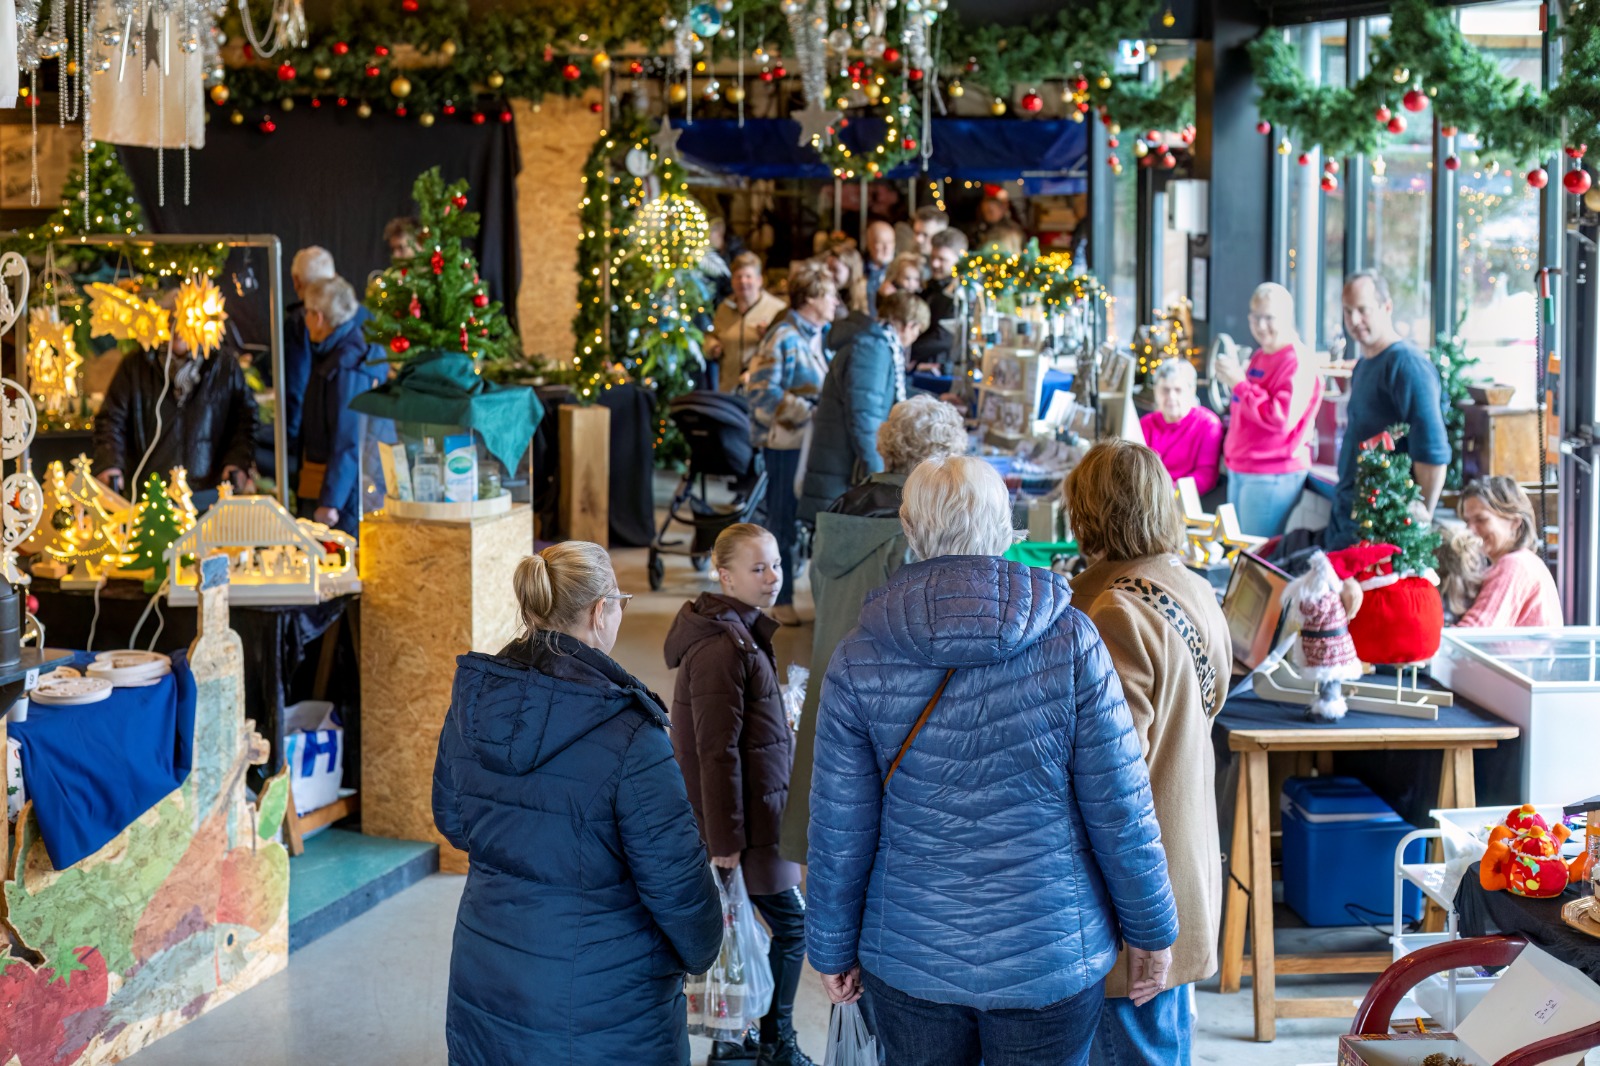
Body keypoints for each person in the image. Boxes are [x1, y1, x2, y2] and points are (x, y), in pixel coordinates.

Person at [806, 455, 1179, 1066]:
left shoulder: (858, 656)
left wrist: (831, 945)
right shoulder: (1072, 639)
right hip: (1051, 951)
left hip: (910, 952)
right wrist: (1152, 932)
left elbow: (839, 826)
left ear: (908, 526)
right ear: (1005, 527)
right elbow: (1121, 806)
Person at [432, 543, 723, 1066]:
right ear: (599, 611)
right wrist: (703, 949)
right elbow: (680, 888)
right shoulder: (632, 735)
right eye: (621, 602)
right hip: (607, 1002)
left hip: (487, 974)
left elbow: (454, 820)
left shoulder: (473, 703)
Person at [1065, 441, 1230, 1065]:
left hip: (1134, 885)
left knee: (1132, 1046)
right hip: (1182, 861)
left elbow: (1113, 775)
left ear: (1090, 514)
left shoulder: (1114, 610)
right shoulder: (1192, 588)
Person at [779, 394, 968, 866]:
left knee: (834, 846)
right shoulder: (915, 525)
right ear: (941, 455)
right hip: (890, 703)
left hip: (833, 684)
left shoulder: (843, 508)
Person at [664, 524, 813, 1066]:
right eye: (758, 568)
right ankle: (776, 1043)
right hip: (744, 828)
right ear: (723, 574)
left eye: (776, 564)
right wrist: (724, 843)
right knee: (793, 927)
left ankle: (742, 1039)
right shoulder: (723, 648)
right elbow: (714, 752)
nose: (773, 577)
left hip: (760, 815)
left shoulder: (743, 632)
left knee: (763, 929)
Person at [741, 261, 838, 626]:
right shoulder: (783, 336)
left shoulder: (820, 337)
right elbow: (761, 392)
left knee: (797, 519)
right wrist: (805, 410)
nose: (835, 302)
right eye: (830, 295)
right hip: (785, 442)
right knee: (781, 518)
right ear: (811, 298)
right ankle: (778, 599)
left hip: (811, 443)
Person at [94, 289, 259, 496]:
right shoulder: (135, 366)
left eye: (186, 320)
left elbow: (245, 419)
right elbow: (111, 420)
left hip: (208, 491)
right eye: (171, 319)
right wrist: (110, 463)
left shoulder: (224, 366)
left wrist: (237, 461)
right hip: (150, 491)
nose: (178, 328)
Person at [1328, 271, 1450, 548]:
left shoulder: (1407, 365)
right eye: (1348, 312)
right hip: (1350, 520)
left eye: (1363, 310)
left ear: (1387, 307)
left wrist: (1419, 521)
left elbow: (1432, 454)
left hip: (1385, 530)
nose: (1354, 320)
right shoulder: (1363, 366)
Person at [797, 293, 930, 523]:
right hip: (843, 467)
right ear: (910, 325)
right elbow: (864, 419)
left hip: (842, 463)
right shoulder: (874, 348)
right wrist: (878, 477)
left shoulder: (877, 344)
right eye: (917, 332)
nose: (914, 338)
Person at [1214, 282, 1323, 536]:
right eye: (1255, 318)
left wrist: (1239, 383)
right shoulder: (1261, 355)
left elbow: (1281, 418)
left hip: (1271, 473)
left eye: (1269, 317)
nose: (1261, 326)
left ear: (1287, 317)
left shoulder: (1297, 361)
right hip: (1243, 468)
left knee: (1253, 558)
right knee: (1236, 554)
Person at [297, 277, 388, 536]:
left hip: (348, 495)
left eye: (306, 313)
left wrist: (330, 502)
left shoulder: (347, 363)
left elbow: (349, 436)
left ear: (319, 317)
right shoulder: (344, 351)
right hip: (347, 485)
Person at [1455, 476, 1563, 628]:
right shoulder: (1524, 562)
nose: (1470, 530)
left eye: (1481, 520)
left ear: (1514, 522)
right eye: (1467, 521)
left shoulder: (1514, 565)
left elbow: (1476, 631)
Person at [283, 246, 337, 461]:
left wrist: (290, 442)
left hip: (313, 442)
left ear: (297, 281)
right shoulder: (353, 316)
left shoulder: (300, 321)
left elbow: (296, 385)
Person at [1140, 360, 1223, 496]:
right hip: (1150, 498)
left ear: (1192, 390)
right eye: (1165, 390)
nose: (1171, 397)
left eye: (1178, 390)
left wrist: (1169, 492)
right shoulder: (1146, 424)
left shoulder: (1208, 424)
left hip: (1186, 500)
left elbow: (1206, 477)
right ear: (1156, 391)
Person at [712, 252, 788, 393]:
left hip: (762, 391)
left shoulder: (777, 309)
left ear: (759, 280)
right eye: (738, 277)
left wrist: (768, 335)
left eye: (748, 276)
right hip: (728, 388)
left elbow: (785, 349)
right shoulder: (724, 308)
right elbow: (712, 335)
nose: (743, 281)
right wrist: (711, 346)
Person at [910, 229, 967, 373]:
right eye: (932, 257)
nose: (934, 264)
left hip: (940, 370)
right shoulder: (927, 287)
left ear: (959, 260)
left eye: (942, 259)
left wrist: (905, 349)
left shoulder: (962, 295)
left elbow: (943, 338)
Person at [824, 241, 872, 354]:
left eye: (835, 270)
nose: (829, 274)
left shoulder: (868, 295)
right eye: (827, 268)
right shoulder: (827, 294)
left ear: (851, 271)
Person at [862, 221, 897, 315]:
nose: (886, 248)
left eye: (890, 242)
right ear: (869, 244)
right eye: (880, 243)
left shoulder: (901, 270)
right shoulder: (859, 268)